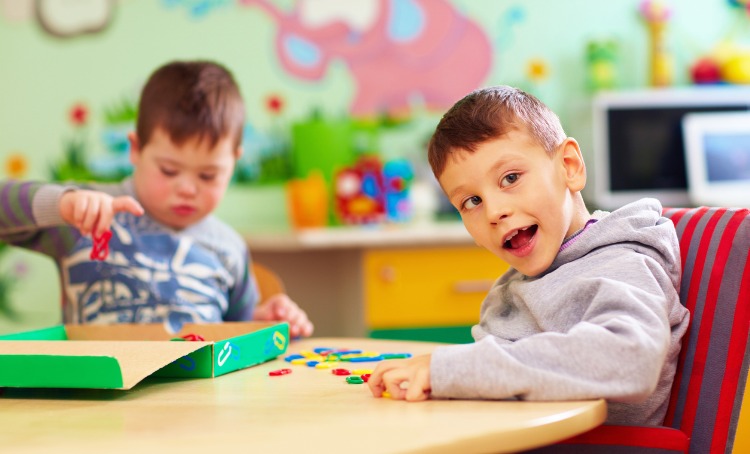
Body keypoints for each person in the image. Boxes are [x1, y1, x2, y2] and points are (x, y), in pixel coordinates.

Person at [367, 86, 689, 426]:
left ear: (569, 166)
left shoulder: (619, 262)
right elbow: (494, 381)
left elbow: (630, 358)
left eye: (510, 178)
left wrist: (451, 368)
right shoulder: (511, 289)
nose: (494, 211)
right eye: (471, 202)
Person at [0, 60, 313, 338]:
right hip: (95, 400)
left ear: (234, 161)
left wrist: (264, 322)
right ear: (135, 149)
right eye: (169, 170)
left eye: (208, 176)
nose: (188, 189)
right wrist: (62, 205)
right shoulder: (83, 214)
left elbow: (236, 334)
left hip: (197, 401)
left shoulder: (229, 248)